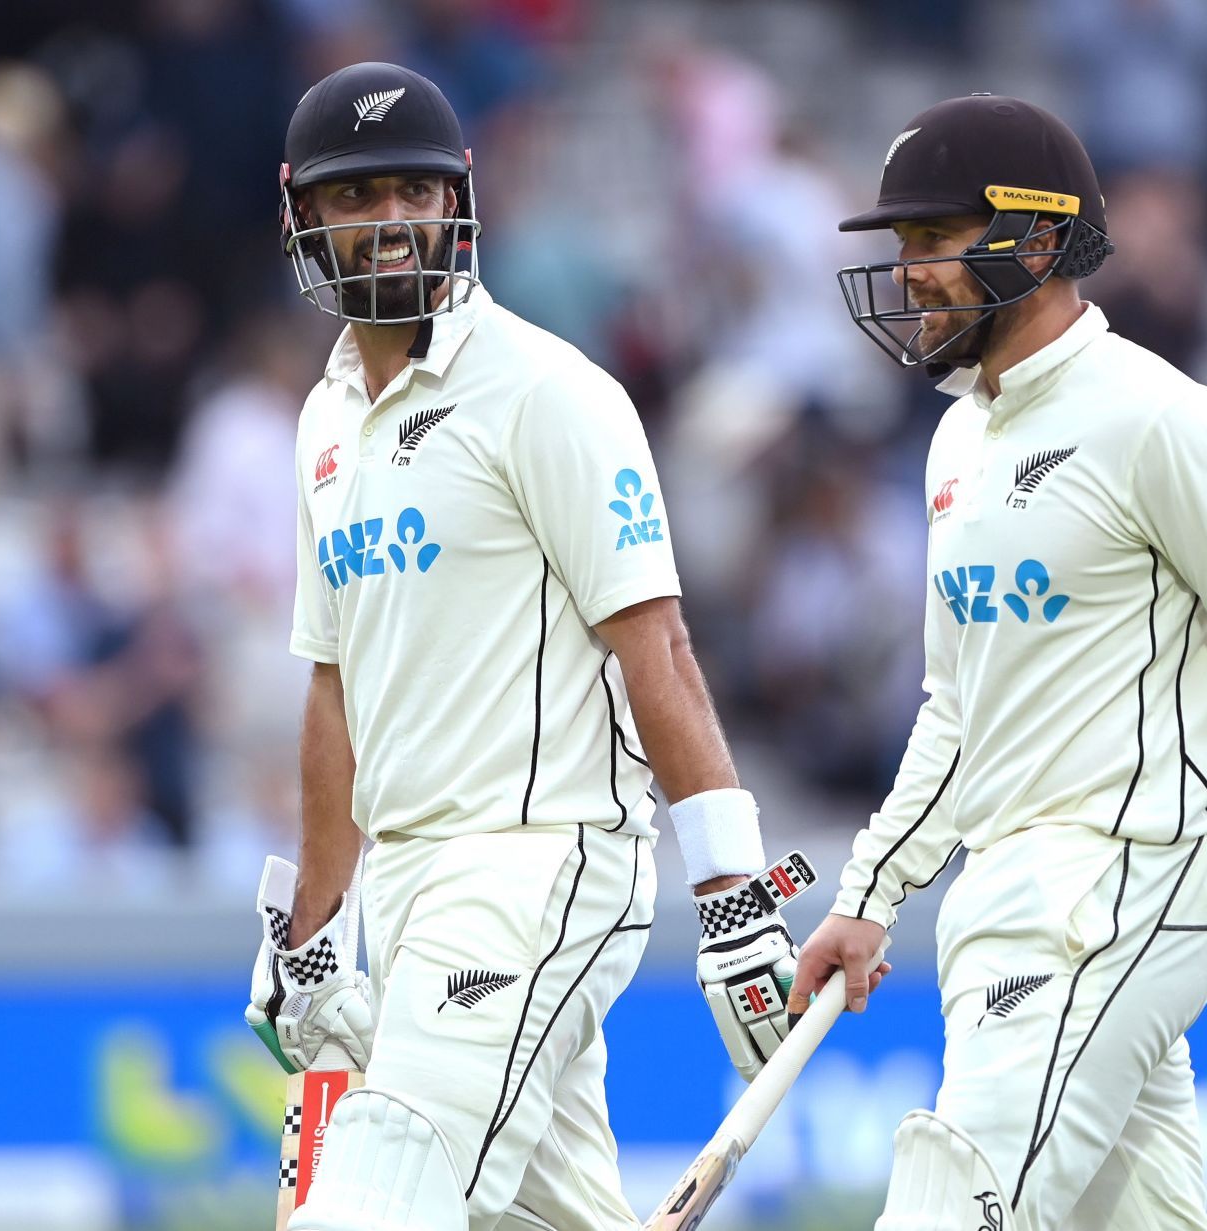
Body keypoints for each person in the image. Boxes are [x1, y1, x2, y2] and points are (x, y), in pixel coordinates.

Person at [794, 95, 1207, 1229]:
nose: (907, 274)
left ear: (1038, 242)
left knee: (954, 1207)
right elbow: (956, 706)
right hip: (1007, 900)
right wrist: (869, 893)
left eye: (932, 240)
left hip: (1125, 879)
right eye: (898, 246)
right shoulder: (960, 439)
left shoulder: (1169, 422)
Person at [242, 63, 810, 1231]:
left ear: (458, 200)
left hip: (538, 861)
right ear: (302, 214)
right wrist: (310, 928)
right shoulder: (325, 422)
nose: (390, 220)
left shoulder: (551, 391)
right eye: (356, 197)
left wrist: (733, 890)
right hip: (403, 887)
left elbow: (655, 644)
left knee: (372, 1199)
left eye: (412, 189)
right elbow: (336, 687)